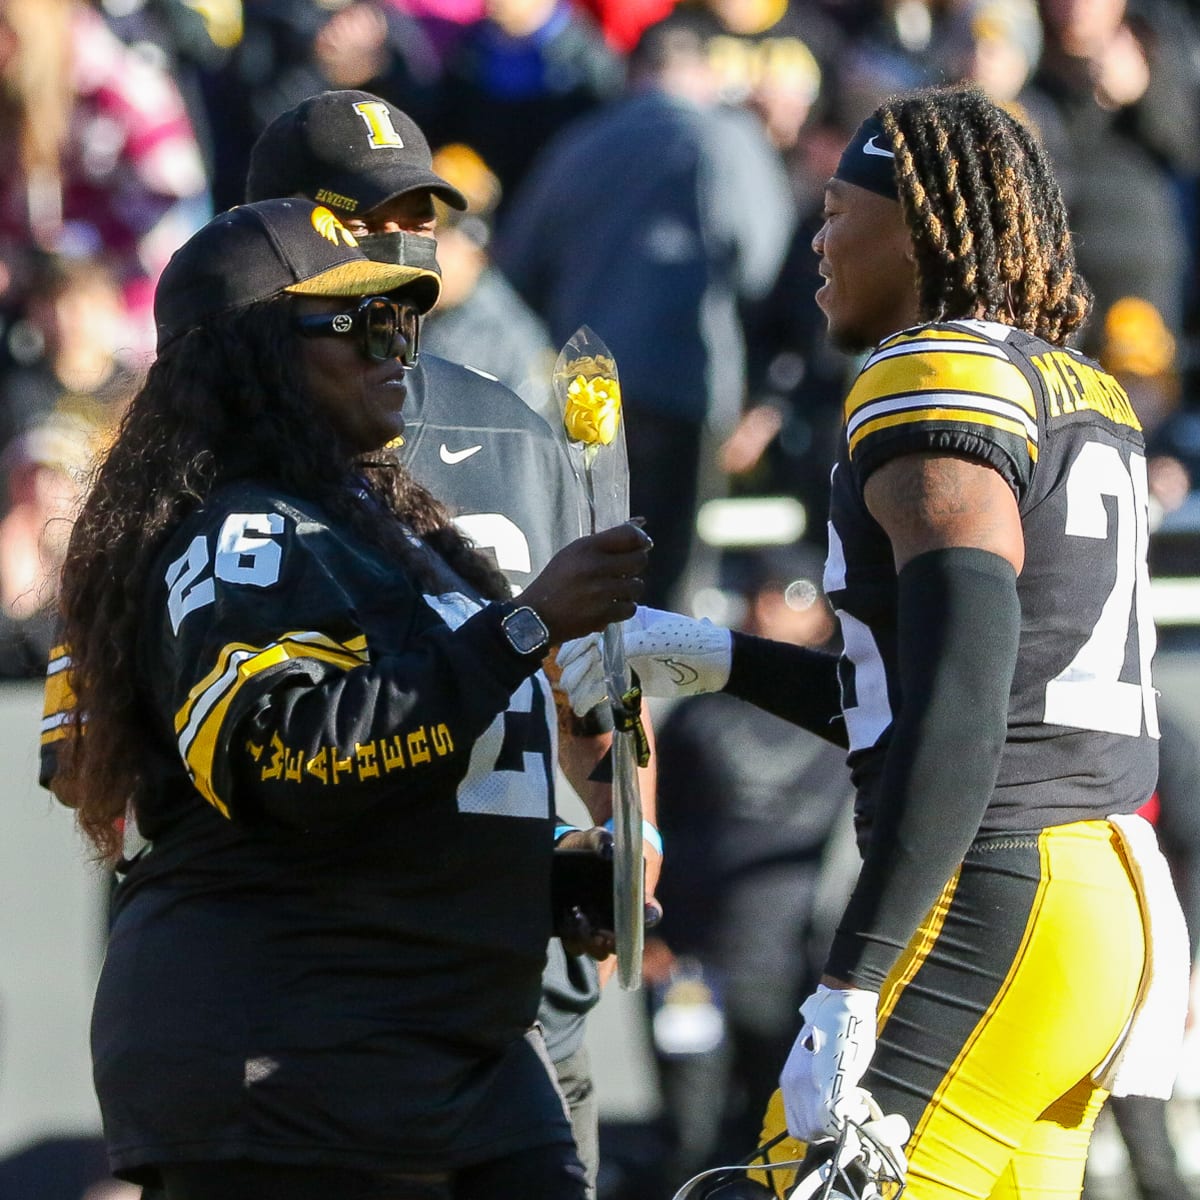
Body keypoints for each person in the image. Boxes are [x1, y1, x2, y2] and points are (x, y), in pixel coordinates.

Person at [558, 83, 1190, 1200]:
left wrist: (853, 981)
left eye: (839, 208)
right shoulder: (1075, 387)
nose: (817, 235)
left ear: (919, 229)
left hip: (994, 890)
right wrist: (711, 651)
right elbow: (926, 691)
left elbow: (966, 693)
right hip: (1096, 903)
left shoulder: (927, 372)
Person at [54, 195, 651, 1200]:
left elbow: (409, 786)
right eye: (363, 322)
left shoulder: (392, 533)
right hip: (293, 1045)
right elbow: (303, 762)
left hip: (450, 1046)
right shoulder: (236, 536)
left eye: (405, 320)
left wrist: (541, 883)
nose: (399, 346)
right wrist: (530, 623)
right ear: (251, 356)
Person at [242, 88, 662, 1196]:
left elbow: (593, 672)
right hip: (321, 977)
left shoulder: (514, 421)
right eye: (368, 224)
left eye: (420, 222)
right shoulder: (215, 440)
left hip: (515, 978)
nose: (406, 252)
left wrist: (626, 825)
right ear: (279, 235)